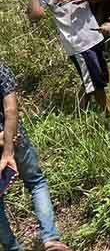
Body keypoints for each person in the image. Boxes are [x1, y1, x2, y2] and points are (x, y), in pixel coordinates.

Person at [27, 0, 109, 114]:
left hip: (94, 35)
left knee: (99, 78)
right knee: (96, 82)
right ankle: (106, 115)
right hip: (77, 43)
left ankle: (81, 108)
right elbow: (35, 16)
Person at [0, 63, 70, 250]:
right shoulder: (1, 68)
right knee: (36, 183)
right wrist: (8, 149)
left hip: (8, 140)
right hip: (16, 139)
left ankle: (13, 248)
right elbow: (11, 110)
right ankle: (51, 238)